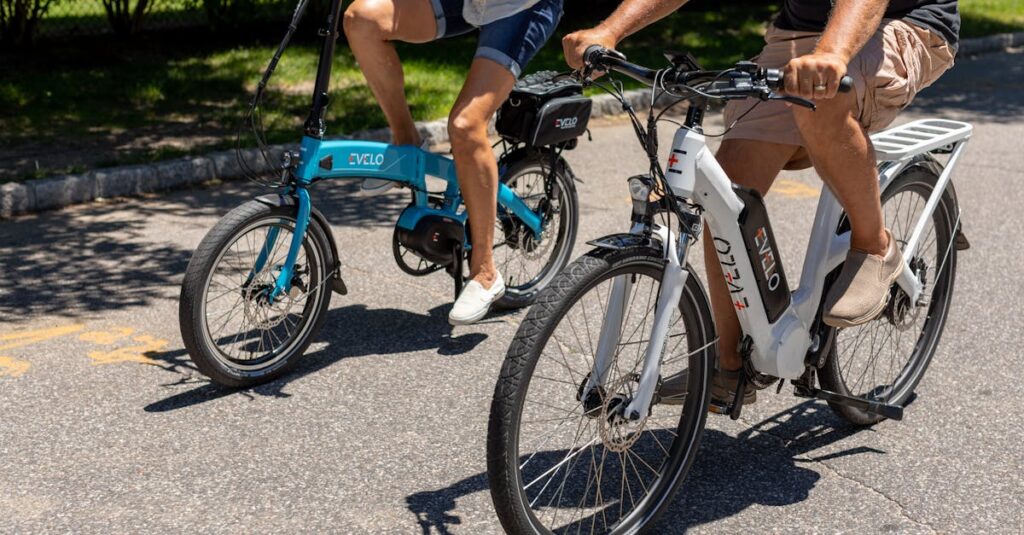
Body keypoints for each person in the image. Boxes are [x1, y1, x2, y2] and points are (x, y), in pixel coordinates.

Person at [562, 0, 958, 408]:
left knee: (824, 99)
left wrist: (833, 54)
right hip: (799, 36)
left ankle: (874, 244)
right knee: (724, 190)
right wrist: (610, 30)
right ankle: (728, 368)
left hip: (899, 25)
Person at [343, 0, 564, 325]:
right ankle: (405, 139)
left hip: (519, 6)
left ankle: (485, 272)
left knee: (466, 125)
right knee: (360, 20)